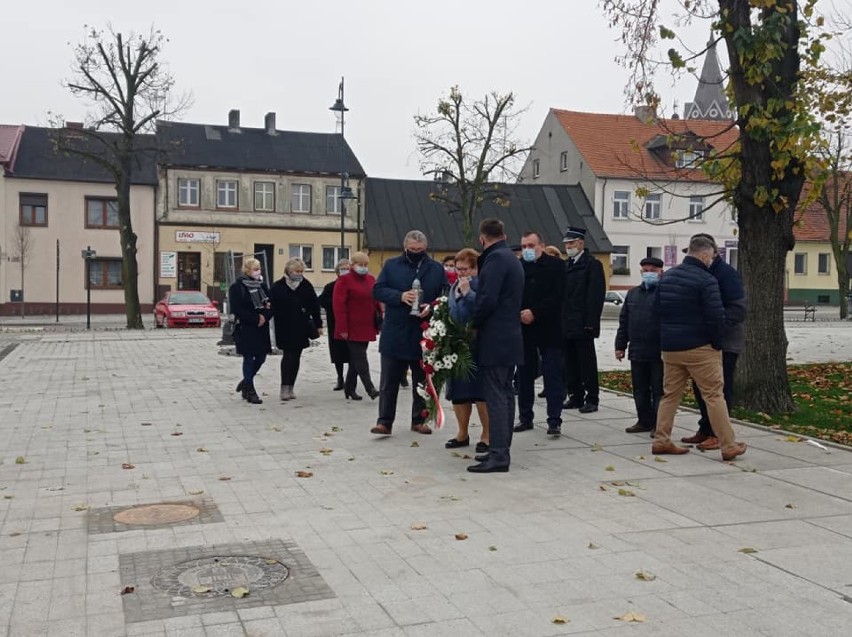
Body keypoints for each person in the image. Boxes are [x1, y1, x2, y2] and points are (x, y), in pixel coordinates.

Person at [651, 235, 747, 461]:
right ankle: (728, 444)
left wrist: (665, 338)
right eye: (711, 256)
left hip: (671, 348)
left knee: (670, 396)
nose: (711, 260)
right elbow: (715, 317)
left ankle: (661, 439)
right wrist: (716, 343)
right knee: (714, 395)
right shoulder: (706, 280)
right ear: (705, 254)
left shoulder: (667, 277)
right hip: (699, 347)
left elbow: (656, 312)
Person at [371, 230, 447, 436]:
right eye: (412, 250)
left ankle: (419, 420)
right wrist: (400, 296)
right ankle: (384, 422)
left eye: (420, 250)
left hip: (423, 333)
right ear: (405, 248)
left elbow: (445, 294)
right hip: (396, 331)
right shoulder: (392, 265)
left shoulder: (435, 268)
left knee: (422, 381)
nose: (416, 253)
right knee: (389, 381)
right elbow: (377, 290)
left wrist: (431, 306)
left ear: (425, 249)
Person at [679, 233, 747, 451]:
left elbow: (738, 309)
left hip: (725, 342)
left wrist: (715, 326)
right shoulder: (701, 272)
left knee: (720, 390)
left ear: (710, 253)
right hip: (703, 341)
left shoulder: (726, 274)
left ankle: (719, 434)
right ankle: (705, 428)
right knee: (700, 389)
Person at [468, 218, 525, 473]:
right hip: (509, 335)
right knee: (505, 394)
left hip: (496, 337)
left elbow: (486, 298)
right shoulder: (510, 257)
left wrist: (473, 323)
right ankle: (500, 449)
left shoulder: (495, 259)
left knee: (497, 397)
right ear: (504, 234)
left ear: (482, 239)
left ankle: (499, 455)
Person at [515, 231, 565, 436]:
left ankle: (554, 419)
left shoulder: (556, 266)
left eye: (531, 245)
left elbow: (559, 296)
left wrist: (535, 312)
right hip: (524, 328)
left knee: (552, 374)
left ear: (542, 246)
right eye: (524, 246)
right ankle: (525, 417)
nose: (527, 250)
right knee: (524, 376)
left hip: (550, 327)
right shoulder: (518, 267)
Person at [444, 248, 490, 453]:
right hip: (456, 344)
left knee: (480, 393)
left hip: (477, 344)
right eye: (457, 268)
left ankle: (487, 435)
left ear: (475, 268)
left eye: (465, 269)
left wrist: (468, 292)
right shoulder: (454, 284)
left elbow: (483, 308)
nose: (460, 272)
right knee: (459, 393)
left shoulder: (482, 284)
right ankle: (462, 433)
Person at [614, 257, 664, 435]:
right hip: (637, 350)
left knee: (659, 390)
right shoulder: (633, 293)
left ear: (660, 272)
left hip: (660, 352)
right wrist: (620, 345)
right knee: (640, 390)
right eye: (645, 271)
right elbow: (624, 321)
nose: (648, 274)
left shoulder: (665, 293)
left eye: (652, 270)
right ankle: (644, 421)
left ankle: (660, 425)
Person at [560, 227, 605, 413]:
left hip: (583, 322)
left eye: (571, 243)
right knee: (570, 362)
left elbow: (595, 296)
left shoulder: (592, 265)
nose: (568, 246)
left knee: (586, 362)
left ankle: (592, 398)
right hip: (567, 322)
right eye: (566, 244)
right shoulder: (566, 264)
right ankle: (575, 396)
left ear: (580, 243)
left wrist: (591, 322)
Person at [269, 258, 323, 401]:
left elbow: (315, 305)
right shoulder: (278, 286)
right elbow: (271, 306)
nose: (299, 274)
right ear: (288, 270)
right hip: (284, 327)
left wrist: (318, 325)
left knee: (296, 357)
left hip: (301, 327)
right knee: (288, 356)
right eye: (296, 271)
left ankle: (291, 387)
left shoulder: (306, 285)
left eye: (301, 271)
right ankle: (284, 387)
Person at [333, 251, 381, 401]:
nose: (363, 267)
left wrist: (379, 320)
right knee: (361, 358)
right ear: (352, 265)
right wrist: (342, 329)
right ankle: (370, 387)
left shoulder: (370, 279)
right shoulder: (344, 280)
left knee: (355, 359)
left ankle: (349, 388)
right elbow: (339, 306)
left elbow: (375, 300)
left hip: (366, 324)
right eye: (360, 264)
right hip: (351, 326)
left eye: (366, 264)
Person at [228, 258, 272, 405]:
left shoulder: (262, 286)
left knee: (261, 357)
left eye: (259, 268)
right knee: (248, 358)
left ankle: (246, 381)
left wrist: (264, 317)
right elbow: (237, 308)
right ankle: (250, 390)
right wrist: (255, 318)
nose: (258, 271)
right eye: (254, 269)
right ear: (247, 270)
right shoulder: (237, 287)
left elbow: (271, 305)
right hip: (247, 327)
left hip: (262, 328)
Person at [318, 259, 351, 391]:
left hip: (351, 323)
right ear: (337, 272)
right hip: (335, 322)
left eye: (347, 268)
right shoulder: (331, 286)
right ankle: (340, 377)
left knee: (353, 353)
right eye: (342, 268)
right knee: (338, 352)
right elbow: (321, 300)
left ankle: (350, 379)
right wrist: (335, 303)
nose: (344, 271)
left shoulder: (353, 285)